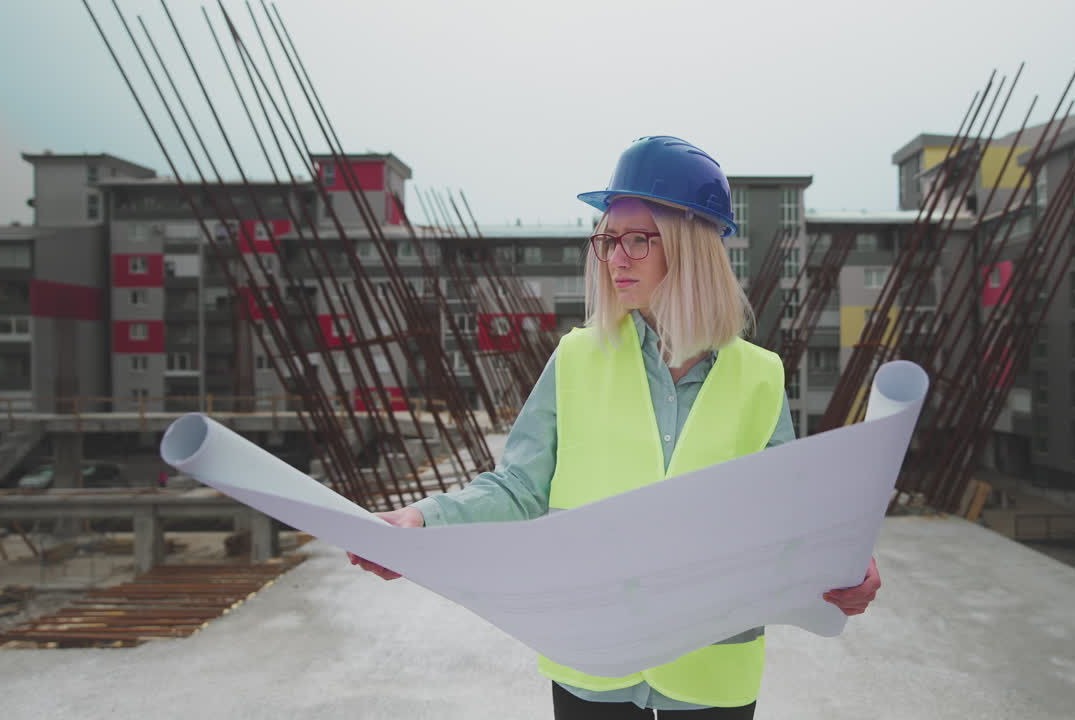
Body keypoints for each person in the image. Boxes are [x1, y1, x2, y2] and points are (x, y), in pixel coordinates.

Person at [348, 136, 882, 718]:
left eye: (637, 239)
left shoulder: (760, 376)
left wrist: (846, 560)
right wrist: (422, 519)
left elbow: (787, 515)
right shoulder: (576, 358)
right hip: (592, 653)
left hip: (712, 662)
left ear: (691, 245)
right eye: (607, 239)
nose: (616, 257)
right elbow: (520, 487)